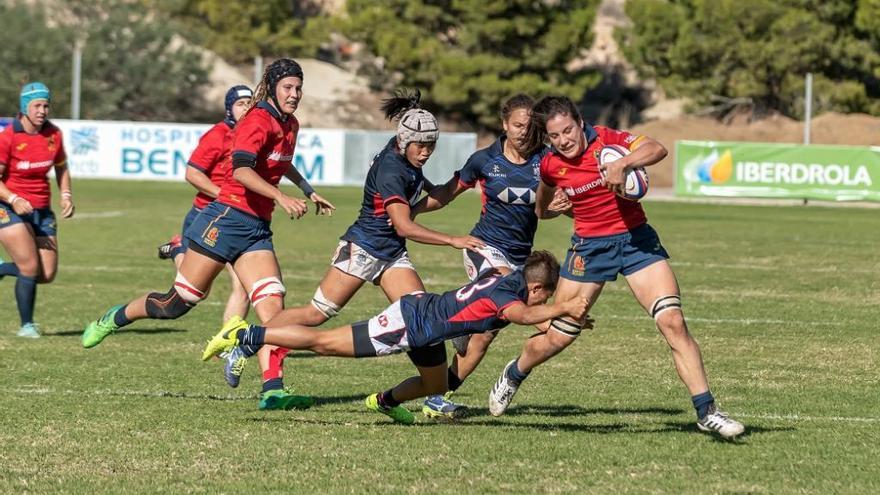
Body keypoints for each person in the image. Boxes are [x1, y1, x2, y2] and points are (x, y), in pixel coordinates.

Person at [81, 58, 336, 411]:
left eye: (298, 88)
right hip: (226, 219)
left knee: (273, 311)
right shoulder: (257, 120)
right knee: (176, 304)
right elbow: (243, 170)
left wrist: (308, 190)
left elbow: (280, 160)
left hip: (257, 230)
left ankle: (273, 389)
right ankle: (114, 317)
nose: (294, 94)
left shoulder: (290, 123)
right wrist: (280, 196)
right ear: (272, 87)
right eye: (288, 87)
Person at [485, 95, 745, 439]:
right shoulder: (550, 165)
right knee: (558, 337)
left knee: (673, 321)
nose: (564, 140)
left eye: (568, 130)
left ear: (580, 123)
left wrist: (624, 164)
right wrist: (554, 208)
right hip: (590, 249)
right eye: (555, 136)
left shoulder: (610, 141)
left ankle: (707, 411)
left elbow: (657, 148)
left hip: (637, 242)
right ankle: (515, 373)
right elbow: (542, 207)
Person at [224, 90, 484, 388]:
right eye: (420, 145)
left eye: (431, 145)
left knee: (419, 314)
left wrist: (461, 181)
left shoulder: (404, 154)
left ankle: (435, 390)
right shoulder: (391, 170)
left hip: (391, 254)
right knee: (315, 314)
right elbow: (404, 226)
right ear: (404, 141)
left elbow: (426, 196)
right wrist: (452, 240)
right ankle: (245, 340)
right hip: (362, 249)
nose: (425, 152)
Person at [202, 251, 588, 424]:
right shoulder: (510, 295)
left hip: (427, 327)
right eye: (547, 296)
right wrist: (563, 310)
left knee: (436, 383)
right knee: (326, 342)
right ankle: (249, 333)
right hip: (409, 322)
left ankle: (383, 402)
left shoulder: (511, 281)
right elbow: (523, 317)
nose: (546, 301)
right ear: (537, 288)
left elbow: (531, 314)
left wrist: (561, 320)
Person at [411, 93, 570, 418]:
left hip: (520, 260)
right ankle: (454, 333)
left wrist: (565, 209)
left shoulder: (547, 161)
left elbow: (552, 208)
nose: (524, 132)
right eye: (517, 125)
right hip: (483, 249)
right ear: (504, 125)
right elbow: (446, 193)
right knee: (499, 311)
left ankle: (438, 394)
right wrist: (407, 213)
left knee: (485, 334)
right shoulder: (484, 160)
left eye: (530, 126)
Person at [156, 85, 254, 386]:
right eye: (240, 103)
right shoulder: (217, 135)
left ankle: (229, 345)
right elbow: (192, 174)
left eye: (250, 102)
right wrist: (224, 194)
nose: (246, 108)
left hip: (237, 220)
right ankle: (176, 248)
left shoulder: (252, 133)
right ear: (228, 108)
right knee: (194, 293)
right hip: (205, 217)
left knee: (243, 286)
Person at [0, 82, 74, 338]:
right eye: (37, 106)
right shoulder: (9, 136)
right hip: (7, 208)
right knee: (29, 267)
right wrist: (13, 198)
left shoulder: (54, 134)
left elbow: (62, 167)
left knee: (46, 274)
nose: (43, 110)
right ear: (24, 108)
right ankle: (27, 326)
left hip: (42, 210)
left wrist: (66, 194)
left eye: (46, 105)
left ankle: (1, 268)